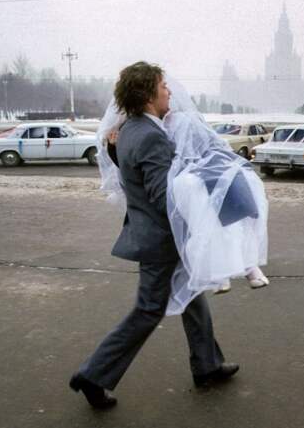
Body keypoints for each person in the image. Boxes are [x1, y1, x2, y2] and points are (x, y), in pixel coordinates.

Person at [69, 62, 238, 410]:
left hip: (154, 234)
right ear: (148, 94)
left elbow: (133, 173)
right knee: (148, 310)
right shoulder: (150, 136)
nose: (169, 91)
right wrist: (204, 208)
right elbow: (166, 198)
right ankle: (93, 374)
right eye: (163, 86)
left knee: (191, 295)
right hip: (161, 240)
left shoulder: (129, 129)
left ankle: (206, 364)